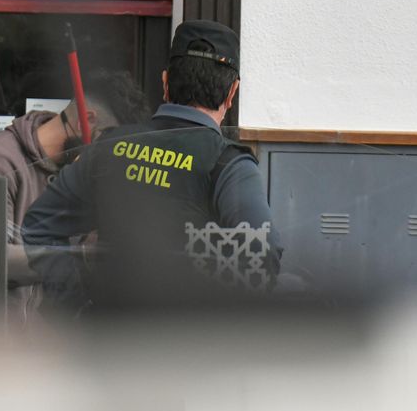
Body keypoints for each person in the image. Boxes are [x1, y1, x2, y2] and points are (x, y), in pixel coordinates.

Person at [21, 20, 279, 315]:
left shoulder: (110, 147)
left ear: (166, 82)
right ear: (232, 92)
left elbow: (39, 226)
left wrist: (77, 303)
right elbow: (262, 260)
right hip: (185, 351)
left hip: (109, 345)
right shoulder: (229, 165)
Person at [0, 69, 150, 325]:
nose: (108, 156)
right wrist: (80, 253)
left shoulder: (73, 174)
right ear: (85, 121)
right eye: (107, 143)